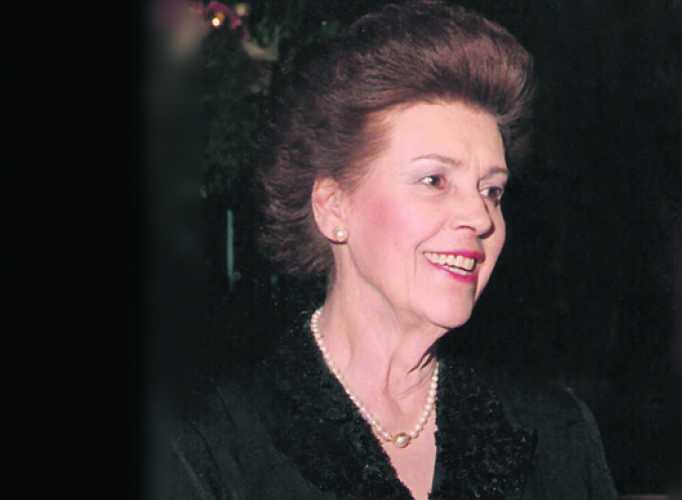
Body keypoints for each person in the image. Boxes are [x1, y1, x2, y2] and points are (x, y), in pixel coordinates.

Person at [156, 1, 619, 499]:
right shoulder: (210, 441)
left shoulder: (555, 435)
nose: (482, 217)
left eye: (492, 190)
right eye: (434, 180)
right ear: (333, 207)